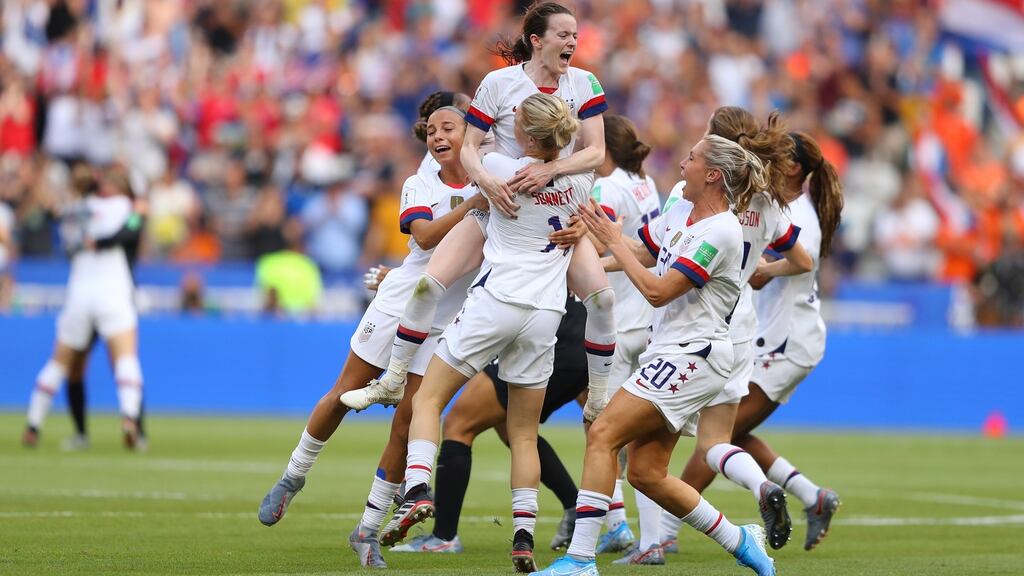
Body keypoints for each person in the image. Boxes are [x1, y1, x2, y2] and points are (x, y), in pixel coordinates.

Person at [343, 2, 615, 427]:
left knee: (602, 297)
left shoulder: (585, 82)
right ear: (537, 41)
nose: (573, 42)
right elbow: (471, 148)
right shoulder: (499, 83)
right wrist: (486, 186)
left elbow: (595, 152)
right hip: (498, 205)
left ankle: (599, 397)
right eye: (564, 34)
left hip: (554, 210)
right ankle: (394, 377)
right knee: (429, 284)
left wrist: (553, 171)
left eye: (575, 35)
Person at [256, 104, 487, 572]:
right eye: (432, 131)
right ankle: (293, 476)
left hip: (443, 324)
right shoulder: (420, 183)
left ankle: (367, 529)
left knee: (407, 423)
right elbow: (423, 239)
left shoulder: (495, 179)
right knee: (343, 393)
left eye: (449, 128)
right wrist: (474, 203)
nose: (438, 136)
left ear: (473, 135)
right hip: (397, 304)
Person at [531, 134, 775, 576]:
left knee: (602, 431)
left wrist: (612, 241)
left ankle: (581, 559)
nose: (683, 162)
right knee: (646, 473)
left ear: (713, 174)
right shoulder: (682, 205)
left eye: (692, 157)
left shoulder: (722, 231)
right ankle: (741, 540)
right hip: (670, 350)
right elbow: (645, 248)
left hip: (694, 355)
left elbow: (658, 291)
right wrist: (579, 261)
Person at [379, 93, 595, 574]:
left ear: (527, 135)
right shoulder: (582, 180)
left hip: (495, 302)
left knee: (429, 400)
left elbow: (472, 148)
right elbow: (583, 170)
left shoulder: (498, 164)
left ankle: (415, 488)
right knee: (522, 434)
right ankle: (522, 536)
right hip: (545, 316)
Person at [622, 107, 815, 564]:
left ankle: (652, 541)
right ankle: (759, 483)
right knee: (713, 442)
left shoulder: (688, 199)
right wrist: (763, 270)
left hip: (687, 321)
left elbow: (655, 252)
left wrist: (604, 246)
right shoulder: (766, 200)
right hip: (738, 325)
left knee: (634, 437)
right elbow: (803, 261)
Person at [661, 131, 845, 553]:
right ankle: (813, 496)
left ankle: (666, 529)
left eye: (776, 153)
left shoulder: (794, 212)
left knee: (719, 437)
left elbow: (804, 262)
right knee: (730, 433)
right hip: (772, 335)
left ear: (793, 166)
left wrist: (766, 271)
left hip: (787, 339)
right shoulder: (775, 203)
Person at [388, 295, 588, 554]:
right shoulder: (566, 253)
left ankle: (443, 536)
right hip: (577, 339)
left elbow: (463, 269)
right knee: (514, 428)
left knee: (459, 425)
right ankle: (574, 508)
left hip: (535, 329)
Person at [22, 166, 145, 449]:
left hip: (79, 291)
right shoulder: (122, 205)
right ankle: (129, 417)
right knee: (125, 357)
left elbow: (49, 217)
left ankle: (33, 424)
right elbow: (133, 226)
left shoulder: (70, 213)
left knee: (59, 362)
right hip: (113, 289)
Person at [586, 114, 662, 556]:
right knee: (639, 437)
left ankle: (611, 526)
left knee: (603, 430)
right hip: (648, 319)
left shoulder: (607, 188)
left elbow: (598, 243)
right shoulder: (644, 182)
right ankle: (646, 537)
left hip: (617, 321)